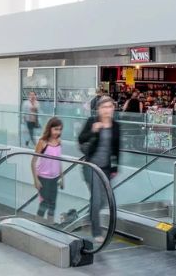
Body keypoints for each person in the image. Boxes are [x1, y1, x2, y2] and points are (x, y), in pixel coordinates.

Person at [78, 96, 121, 243]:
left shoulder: (116, 126)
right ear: (98, 109)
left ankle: (89, 217)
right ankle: (96, 232)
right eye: (104, 107)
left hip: (106, 168)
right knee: (96, 200)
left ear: (113, 108)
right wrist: (93, 131)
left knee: (104, 200)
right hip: (91, 166)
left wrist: (115, 167)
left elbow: (116, 149)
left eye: (109, 106)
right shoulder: (92, 122)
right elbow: (81, 139)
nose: (107, 110)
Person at [31, 117, 64, 223]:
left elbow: (59, 161)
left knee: (53, 204)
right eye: (55, 129)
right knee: (44, 203)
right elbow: (33, 162)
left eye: (59, 129)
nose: (57, 132)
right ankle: (37, 226)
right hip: (43, 178)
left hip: (54, 178)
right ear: (50, 128)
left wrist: (62, 178)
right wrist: (36, 180)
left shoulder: (59, 142)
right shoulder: (42, 142)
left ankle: (50, 226)